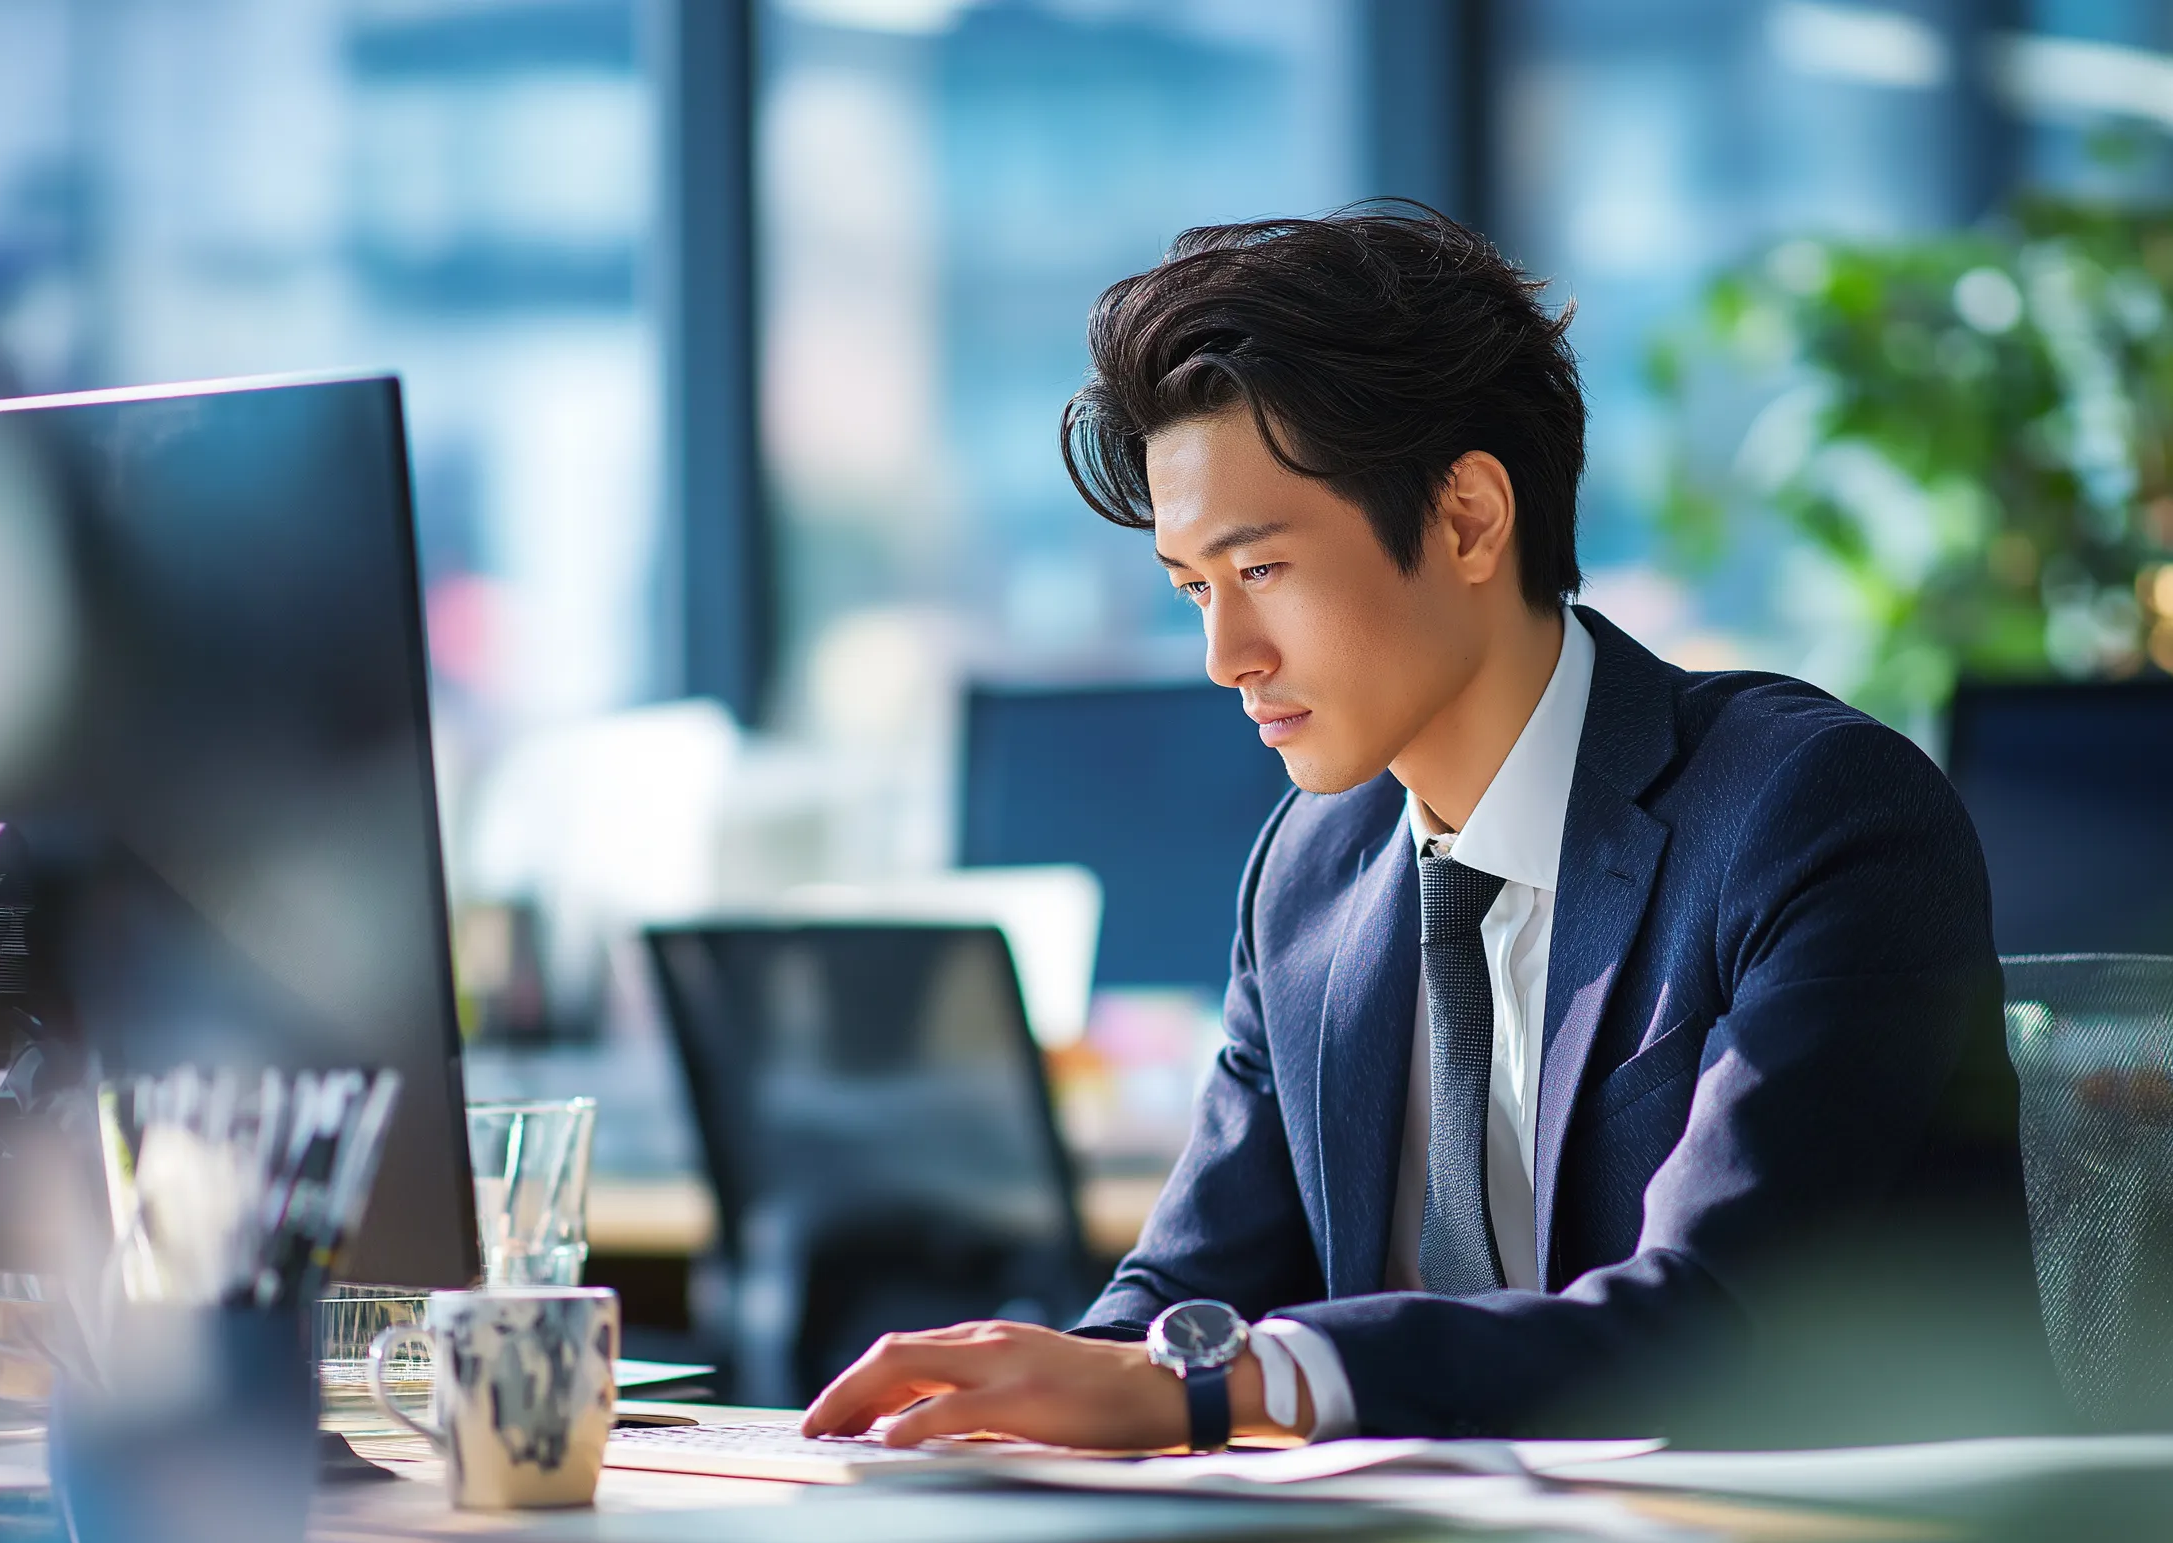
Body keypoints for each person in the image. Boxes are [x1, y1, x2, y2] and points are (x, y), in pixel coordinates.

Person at [803, 205, 2051, 1452]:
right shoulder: (1308, 875)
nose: (1224, 656)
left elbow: (1710, 1319)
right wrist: (1005, 1403)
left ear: (1466, 518)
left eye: (1259, 571)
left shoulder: (1810, 814)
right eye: (1192, 588)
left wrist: (1235, 1381)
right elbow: (1188, 1296)